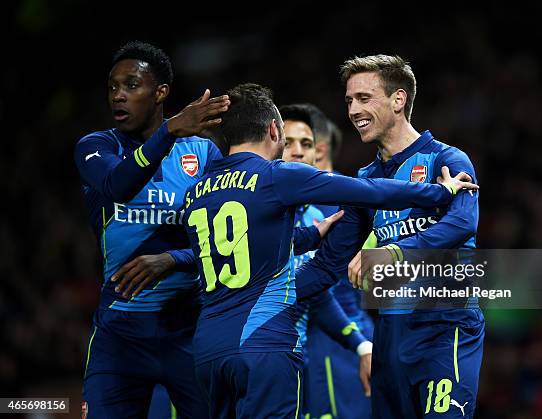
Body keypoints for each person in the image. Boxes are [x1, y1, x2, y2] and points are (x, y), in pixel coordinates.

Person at [181, 83, 477, 418]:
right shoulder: (275, 176)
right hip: (264, 342)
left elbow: (235, 246)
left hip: (207, 349)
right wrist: (438, 193)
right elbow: (369, 189)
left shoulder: (196, 192)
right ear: (273, 129)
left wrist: (308, 236)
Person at [297, 54, 483, 419]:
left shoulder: (446, 159)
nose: (352, 109)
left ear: (399, 100)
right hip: (390, 335)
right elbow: (328, 264)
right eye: (349, 100)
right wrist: (267, 293)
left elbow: (462, 223)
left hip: (444, 327)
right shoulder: (365, 180)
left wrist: (395, 252)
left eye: (364, 98)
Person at [74, 40, 229, 418]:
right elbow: (117, 185)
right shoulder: (96, 147)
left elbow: (227, 242)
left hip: (188, 330)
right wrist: (169, 131)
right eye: (113, 87)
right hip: (119, 339)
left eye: (131, 85)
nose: (118, 96)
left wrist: (173, 260)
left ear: (160, 92)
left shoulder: (205, 153)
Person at [280, 103, 373, 419]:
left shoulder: (331, 205)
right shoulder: (293, 203)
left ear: (317, 150)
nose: (296, 152)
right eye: (288, 142)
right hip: (339, 333)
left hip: (333, 340)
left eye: (304, 144)